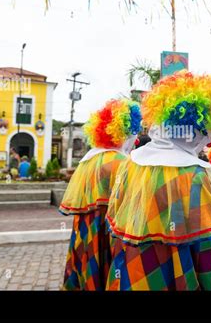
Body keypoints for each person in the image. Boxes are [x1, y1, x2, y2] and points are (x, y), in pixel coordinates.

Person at [106, 71, 211, 291]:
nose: (209, 141)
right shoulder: (194, 175)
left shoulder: (131, 163)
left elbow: (113, 221)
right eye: (207, 131)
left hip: (132, 275)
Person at [60, 99, 141, 291]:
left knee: (87, 271)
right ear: (124, 132)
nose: (134, 139)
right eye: (133, 133)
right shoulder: (122, 162)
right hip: (109, 229)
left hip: (86, 227)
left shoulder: (89, 159)